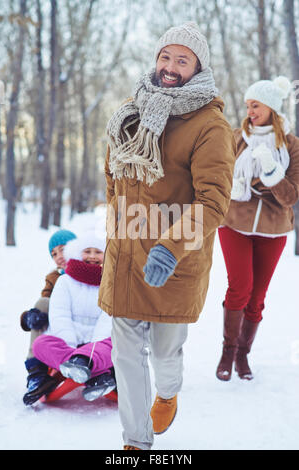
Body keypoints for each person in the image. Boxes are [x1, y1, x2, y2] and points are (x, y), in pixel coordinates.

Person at [98, 22, 236, 450]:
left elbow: (213, 202)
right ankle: (136, 444)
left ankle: (169, 392)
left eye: (182, 59)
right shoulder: (132, 108)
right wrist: (115, 227)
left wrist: (170, 247)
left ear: (197, 67)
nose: (170, 67)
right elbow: (113, 173)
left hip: (171, 261)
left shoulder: (210, 125)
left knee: (164, 355)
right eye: (165, 57)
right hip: (125, 255)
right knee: (126, 357)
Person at [216, 76, 299, 382]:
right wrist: (234, 186)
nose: (249, 110)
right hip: (234, 222)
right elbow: (219, 175)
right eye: (248, 105)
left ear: (272, 109)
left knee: (257, 296)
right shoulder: (236, 137)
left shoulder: (291, 145)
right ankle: (227, 350)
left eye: (256, 105)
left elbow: (291, 196)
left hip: (273, 229)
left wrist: (271, 169)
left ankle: (242, 354)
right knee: (240, 286)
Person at [31, 231, 116, 404]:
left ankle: (83, 366)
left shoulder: (111, 285)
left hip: (97, 346)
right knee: (40, 344)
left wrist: (91, 349)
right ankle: (95, 375)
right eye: (87, 251)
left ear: (105, 256)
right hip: (68, 344)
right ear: (77, 253)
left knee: (117, 344)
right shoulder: (65, 281)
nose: (92, 256)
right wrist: (70, 344)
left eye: (98, 252)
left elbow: (108, 318)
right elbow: (60, 314)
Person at [22, 229, 77, 405]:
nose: (58, 256)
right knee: (42, 303)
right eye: (54, 253)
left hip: (88, 324)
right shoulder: (54, 277)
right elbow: (45, 300)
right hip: (61, 324)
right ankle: (36, 372)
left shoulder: (93, 265)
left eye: (62, 249)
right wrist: (28, 317)